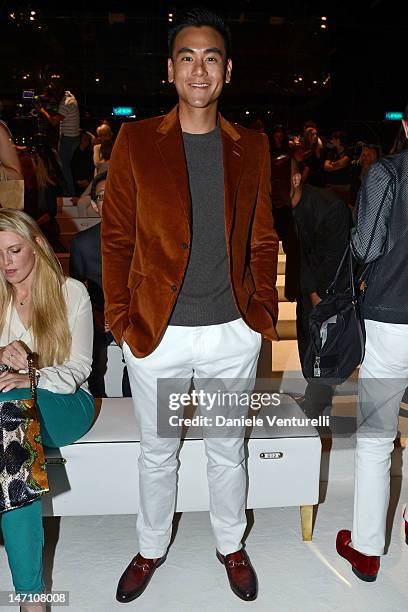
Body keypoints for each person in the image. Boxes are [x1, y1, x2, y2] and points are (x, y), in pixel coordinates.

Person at [102, 7, 278, 604]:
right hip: (159, 333)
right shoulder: (134, 141)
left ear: (227, 71)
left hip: (232, 332)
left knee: (230, 450)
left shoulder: (251, 147)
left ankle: (231, 543)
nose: (198, 68)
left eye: (210, 58)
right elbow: (117, 237)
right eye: (186, 57)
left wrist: (261, 315)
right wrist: (121, 320)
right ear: (169, 70)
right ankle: (152, 548)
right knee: (158, 454)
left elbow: (262, 237)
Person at [0, 209, 95, 611]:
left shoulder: (72, 292)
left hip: (67, 404)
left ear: (37, 246)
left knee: (10, 415)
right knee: (10, 425)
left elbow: (79, 368)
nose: (6, 262)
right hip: (10, 409)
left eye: (14, 250)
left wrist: (31, 375)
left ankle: (31, 598)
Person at [336, 105, 408, 581]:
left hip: (392, 317)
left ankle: (365, 548)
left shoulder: (388, 172)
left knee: (377, 437)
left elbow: (365, 246)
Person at [290, 169, 350, 419]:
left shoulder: (329, 207)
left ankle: (318, 404)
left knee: (322, 345)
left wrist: (319, 295)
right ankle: (315, 396)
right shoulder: (283, 207)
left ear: (295, 179)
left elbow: (334, 257)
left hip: (329, 288)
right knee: (306, 338)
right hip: (307, 285)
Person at [70, 171, 131, 397]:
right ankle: (93, 407)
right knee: (87, 357)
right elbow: (76, 290)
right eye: (103, 196)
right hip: (98, 317)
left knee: (138, 362)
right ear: (95, 206)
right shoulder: (82, 243)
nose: (111, 200)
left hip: (134, 316)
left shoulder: (146, 240)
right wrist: (95, 313)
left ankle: (135, 410)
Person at [37, 83, 80, 197]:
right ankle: (71, 192)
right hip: (74, 137)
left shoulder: (64, 104)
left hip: (68, 139)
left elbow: (54, 122)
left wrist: (42, 111)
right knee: (67, 166)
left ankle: (70, 194)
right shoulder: (70, 97)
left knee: (64, 167)